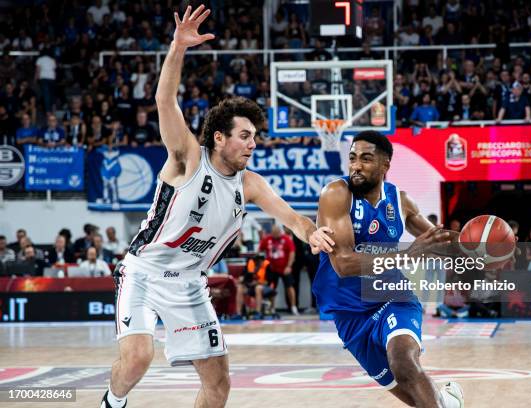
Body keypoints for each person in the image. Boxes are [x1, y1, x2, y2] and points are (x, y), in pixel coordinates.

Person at [100, 6, 334, 408]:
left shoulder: (251, 183)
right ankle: (112, 401)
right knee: (138, 358)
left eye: (255, 136)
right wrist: (177, 47)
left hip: (190, 283)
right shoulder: (188, 156)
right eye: (245, 135)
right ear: (220, 138)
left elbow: (291, 216)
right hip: (144, 271)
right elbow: (163, 99)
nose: (252, 143)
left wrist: (311, 232)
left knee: (219, 382)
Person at [313, 131, 463, 407]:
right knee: (416, 397)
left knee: (403, 362)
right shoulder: (336, 193)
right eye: (353, 158)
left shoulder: (401, 201)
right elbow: (344, 264)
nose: (356, 165)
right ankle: (446, 402)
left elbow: (440, 242)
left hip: (393, 296)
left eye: (366, 159)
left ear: (385, 166)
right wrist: (409, 253)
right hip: (349, 314)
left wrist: (481, 246)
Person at [259, 224, 298, 315]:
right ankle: (272, 308)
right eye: (273, 233)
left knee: (290, 287)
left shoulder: (287, 239)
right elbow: (260, 251)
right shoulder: (267, 239)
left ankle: (293, 307)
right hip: (272, 268)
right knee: (271, 288)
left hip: (285, 268)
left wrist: (289, 266)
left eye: (276, 233)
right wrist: (263, 265)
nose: (275, 235)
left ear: (280, 232)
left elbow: (292, 253)